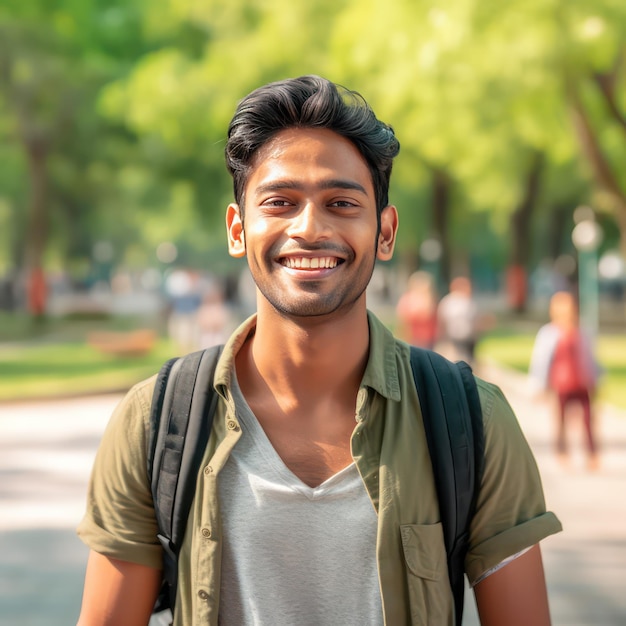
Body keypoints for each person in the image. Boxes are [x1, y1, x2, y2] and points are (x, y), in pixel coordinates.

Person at [76, 75, 562, 626]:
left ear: (385, 231)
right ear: (238, 229)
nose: (309, 228)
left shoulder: (472, 421)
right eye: (280, 202)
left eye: (341, 202)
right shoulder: (155, 422)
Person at [529, 290, 601, 470]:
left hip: (581, 381)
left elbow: (590, 358)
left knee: (587, 419)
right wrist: (539, 385)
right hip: (560, 383)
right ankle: (562, 452)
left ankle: (592, 454)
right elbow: (541, 360)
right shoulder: (549, 333)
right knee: (560, 419)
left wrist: (595, 379)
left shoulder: (581, 330)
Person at [437, 275, 481, 364]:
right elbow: (442, 319)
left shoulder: (468, 301)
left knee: (469, 358)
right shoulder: (449, 301)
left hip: (468, 336)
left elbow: (475, 319)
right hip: (454, 335)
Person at [395, 270, 439, 349]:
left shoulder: (430, 298)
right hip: (413, 338)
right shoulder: (408, 299)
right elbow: (403, 318)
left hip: (428, 339)